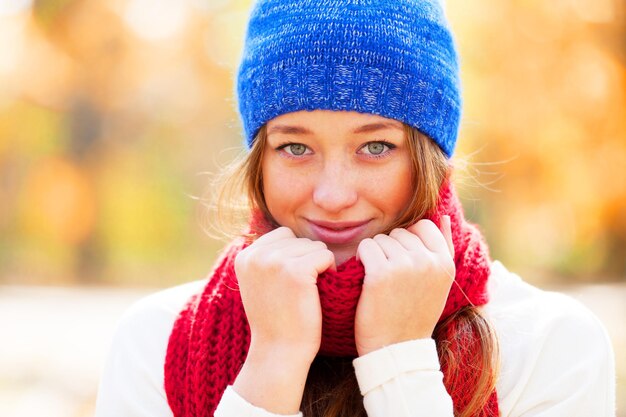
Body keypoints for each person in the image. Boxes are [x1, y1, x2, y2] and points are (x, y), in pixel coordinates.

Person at [95, 0, 616, 416]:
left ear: (429, 158)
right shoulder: (158, 341)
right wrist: (271, 364)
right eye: (295, 148)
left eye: (376, 147)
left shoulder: (549, 343)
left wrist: (399, 364)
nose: (333, 195)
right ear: (260, 160)